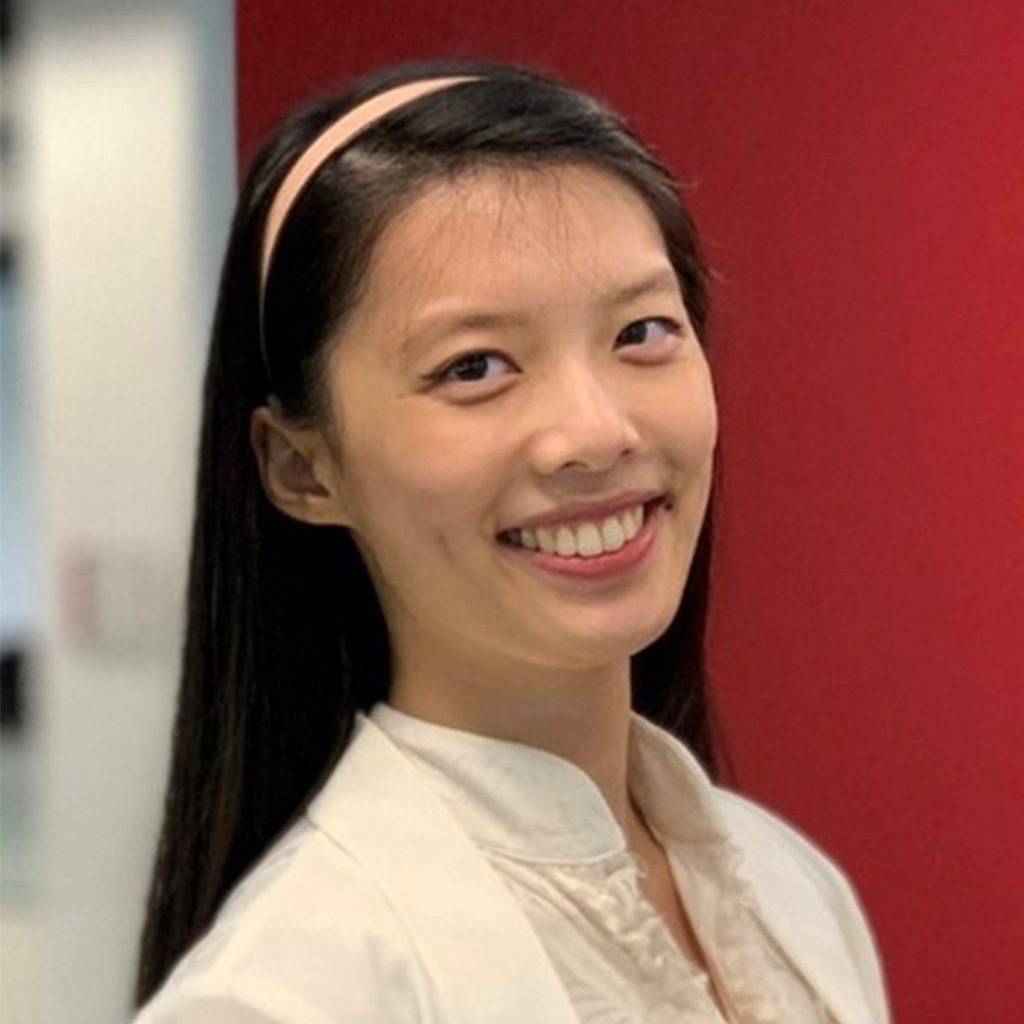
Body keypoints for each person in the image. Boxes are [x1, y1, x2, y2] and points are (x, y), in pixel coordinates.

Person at [131, 58, 891, 1023]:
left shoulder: (794, 892)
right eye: (475, 365)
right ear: (302, 469)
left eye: (642, 331)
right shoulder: (285, 995)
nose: (597, 432)